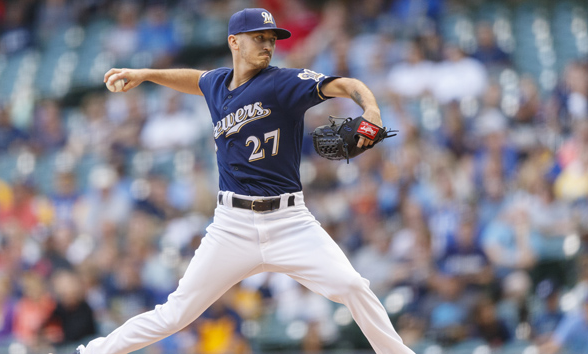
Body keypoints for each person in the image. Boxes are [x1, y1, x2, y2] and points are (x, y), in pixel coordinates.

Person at [73, 8, 415, 354]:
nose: (268, 45)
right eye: (259, 38)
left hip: (289, 223)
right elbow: (194, 79)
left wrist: (370, 108)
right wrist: (145, 74)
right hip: (231, 226)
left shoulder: (282, 82)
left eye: (271, 39)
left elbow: (343, 84)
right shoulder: (217, 84)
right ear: (234, 42)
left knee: (353, 286)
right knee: (175, 314)